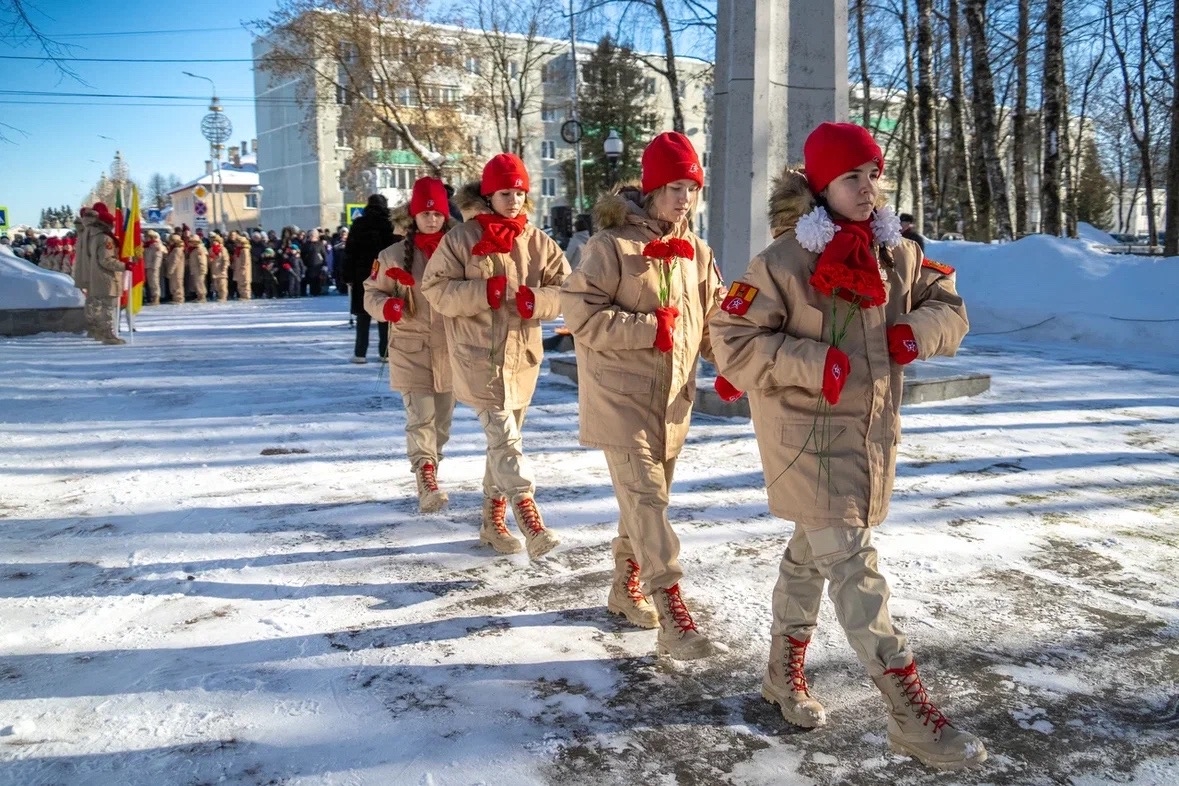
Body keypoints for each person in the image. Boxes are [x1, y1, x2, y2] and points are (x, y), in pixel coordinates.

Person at [708, 122, 983, 770]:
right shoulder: (783, 262)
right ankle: (909, 716)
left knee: (809, 558)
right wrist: (812, 362)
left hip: (866, 438)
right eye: (852, 177)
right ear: (821, 185)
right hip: (806, 441)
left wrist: (917, 332)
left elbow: (950, 305)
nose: (868, 188)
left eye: (873, 173)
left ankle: (781, 676)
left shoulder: (896, 252)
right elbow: (733, 339)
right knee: (856, 573)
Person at [560, 132, 728, 660]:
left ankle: (624, 587)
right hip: (620, 399)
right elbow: (578, 315)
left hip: (673, 401)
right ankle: (671, 605)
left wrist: (733, 364)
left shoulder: (697, 252)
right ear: (651, 190)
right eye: (674, 187)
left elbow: (715, 318)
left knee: (643, 503)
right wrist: (646, 327)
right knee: (648, 502)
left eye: (692, 188)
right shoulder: (610, 247)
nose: (684, 198)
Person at [421, 154, 569, 559]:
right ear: (489, 194)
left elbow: (569, 289)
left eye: (520, 193)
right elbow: (434, 288)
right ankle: (528, 513)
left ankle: (491, 520)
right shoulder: (462, 239)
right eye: (506, 193)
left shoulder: (537, 240)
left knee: (503, 443)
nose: (514, 201)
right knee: (504, 438)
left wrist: (536, 301)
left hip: (522, 360)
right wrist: (480, 294)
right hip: (476, 357)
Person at [363, 178, 456, 514]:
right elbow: (370, 293)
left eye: (437, 213)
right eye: (425, 213)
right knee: (421, 418)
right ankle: (427, 479)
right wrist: (387, 307)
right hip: (411, 348)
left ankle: (429, 468)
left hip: (450, 351)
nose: (431, 219)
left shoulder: (457, 250)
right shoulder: (391, 255)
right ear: (413, 215)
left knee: (441, 424)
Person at [345, 195, 398, 363]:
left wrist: (347, 275)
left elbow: (349, 252)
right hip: (385, 272)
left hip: (362, 274)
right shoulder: (390, 224)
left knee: (363, 314)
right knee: (384, 311)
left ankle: (360, 353)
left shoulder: (359, 224)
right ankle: (385, 352)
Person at [74, 203, 127, 345]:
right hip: (105, 277)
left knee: (94, 304)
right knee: (107, 307)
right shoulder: (104, 238)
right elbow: (106, 260)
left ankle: (96, 331)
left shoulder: (87, 232)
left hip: (91, 273)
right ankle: (107, 335)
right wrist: (125, 266)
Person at [184, 233, 208, 302]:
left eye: (191, 241)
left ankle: (202, 297)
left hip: (199, 270)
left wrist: (202, 269)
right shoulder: (193, 249)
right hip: (195, 269)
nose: (189, 243)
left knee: (200, 283)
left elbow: (202, 260)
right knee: (197, 284)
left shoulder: (199, 249)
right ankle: (199, 296)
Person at [142, 230, 165, 305]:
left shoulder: (156, 246)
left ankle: (156, 298)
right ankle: (153, 297)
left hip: (153, 267)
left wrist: (155, 267)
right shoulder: (147, 245)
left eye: (146, 237)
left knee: (154, 283)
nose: (145, 238)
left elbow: (158, 257)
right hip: (148, 266)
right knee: (151, 283)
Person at [208, 232, 231, 302]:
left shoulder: (223, 249)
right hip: (214, 270)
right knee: (216, 285)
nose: (214, 242)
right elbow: (209, 260)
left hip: (221, 270)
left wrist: (224, 268)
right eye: (213, 241)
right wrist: (209, 261)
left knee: (222, 285)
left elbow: (226, 260)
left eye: (216, 241)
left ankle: (223, 297)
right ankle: (219, 296)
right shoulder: (211, 250)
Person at [163, 233, 185, 304]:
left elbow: (175, 261)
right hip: (174, 271)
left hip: (176, 271)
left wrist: (170, 271)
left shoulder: (177, 250)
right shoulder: (174, 249)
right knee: (173, 285)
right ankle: (175, 298)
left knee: (177, 285)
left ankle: (179, 299)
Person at [230, 232, 252, 299]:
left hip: (243, 269)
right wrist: (233, 265)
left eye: (238, 242)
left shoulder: (245, 250)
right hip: (238, 269)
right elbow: (235, 259)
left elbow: (245, 260)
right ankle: (242, 295)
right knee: (239, 283)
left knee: (245, 283)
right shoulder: (237, 250)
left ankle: (246, 295)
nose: (236, 244)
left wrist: (243, 267)